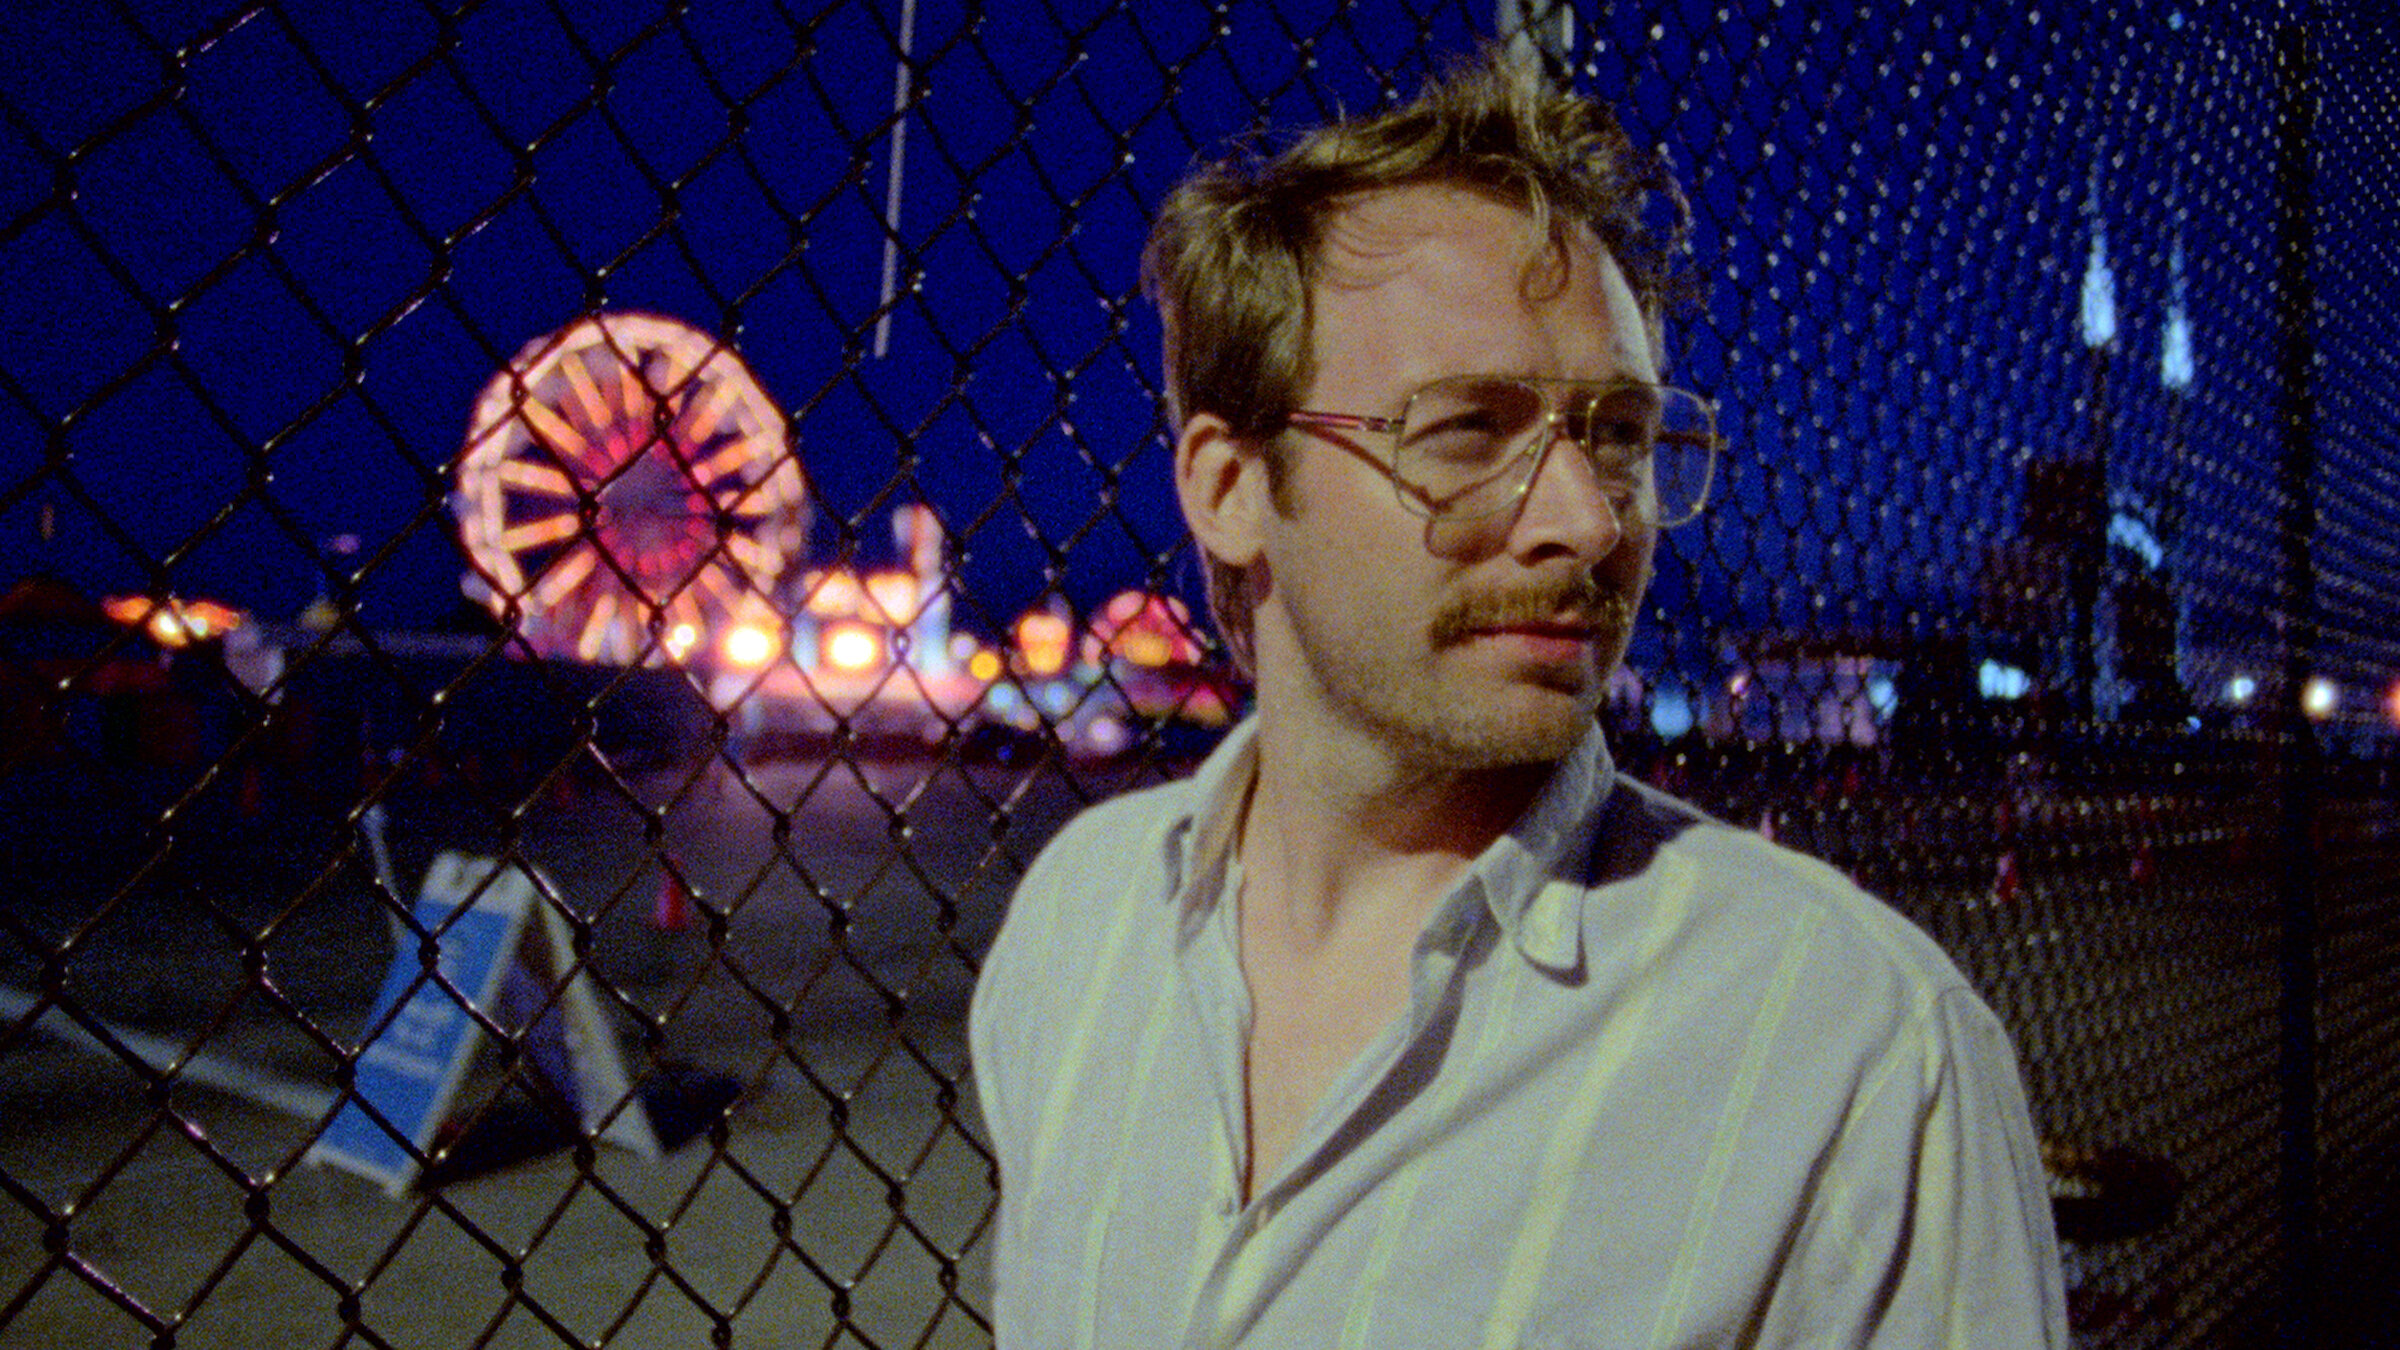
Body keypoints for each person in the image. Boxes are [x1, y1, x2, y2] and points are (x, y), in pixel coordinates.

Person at [971, 48, 2066, 1348]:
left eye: (1619, 434)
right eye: (1467, 430)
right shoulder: (1074, 936)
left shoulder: (1864, 1055)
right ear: (1230, 485)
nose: (1589, 520)